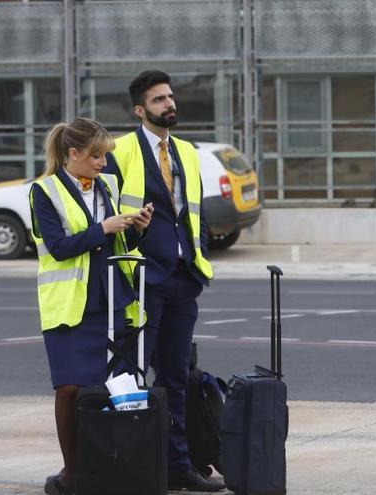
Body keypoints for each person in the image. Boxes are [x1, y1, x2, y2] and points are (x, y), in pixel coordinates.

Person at [103, 70, 220, 492]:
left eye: (170, 97)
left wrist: (197, 254)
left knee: (176, 379)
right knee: (128, 377)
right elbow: (109, 213)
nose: (169, 104)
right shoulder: (118, 152)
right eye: (158, 100)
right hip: (141, 282)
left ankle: (178, 467)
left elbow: (194, 212)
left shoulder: (187, 151)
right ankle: (129, 466)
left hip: (183, 279)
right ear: (140, 109)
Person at [31, 118, 153, 495]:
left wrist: (137, 228)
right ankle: (73, 472)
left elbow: (119, 244)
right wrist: (104, 228)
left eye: (104, 156)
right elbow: (60, 248)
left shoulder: (108, 186)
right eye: (96, 156)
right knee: (69, 388)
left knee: (114, 387)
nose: (102, 163)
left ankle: (110, 466)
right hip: (69, 305)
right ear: (73, 154)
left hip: (111, 297)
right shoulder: (44, 191)